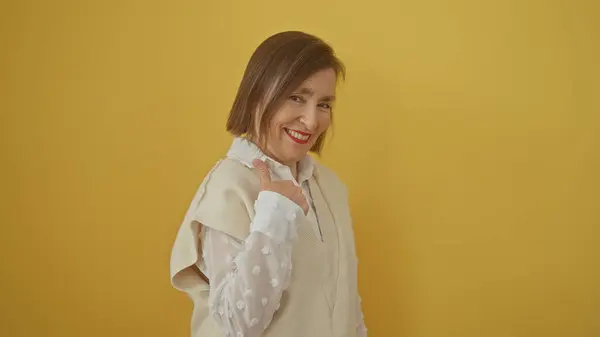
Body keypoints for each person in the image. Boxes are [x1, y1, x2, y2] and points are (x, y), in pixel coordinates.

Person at [169, 31, 367, 337]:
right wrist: (273, 216)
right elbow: (237, 324)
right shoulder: (229, 187)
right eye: (297, 98)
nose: (312, 121)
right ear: (259, 94)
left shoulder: (330, 187)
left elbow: (347, 305)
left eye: (324, 104)